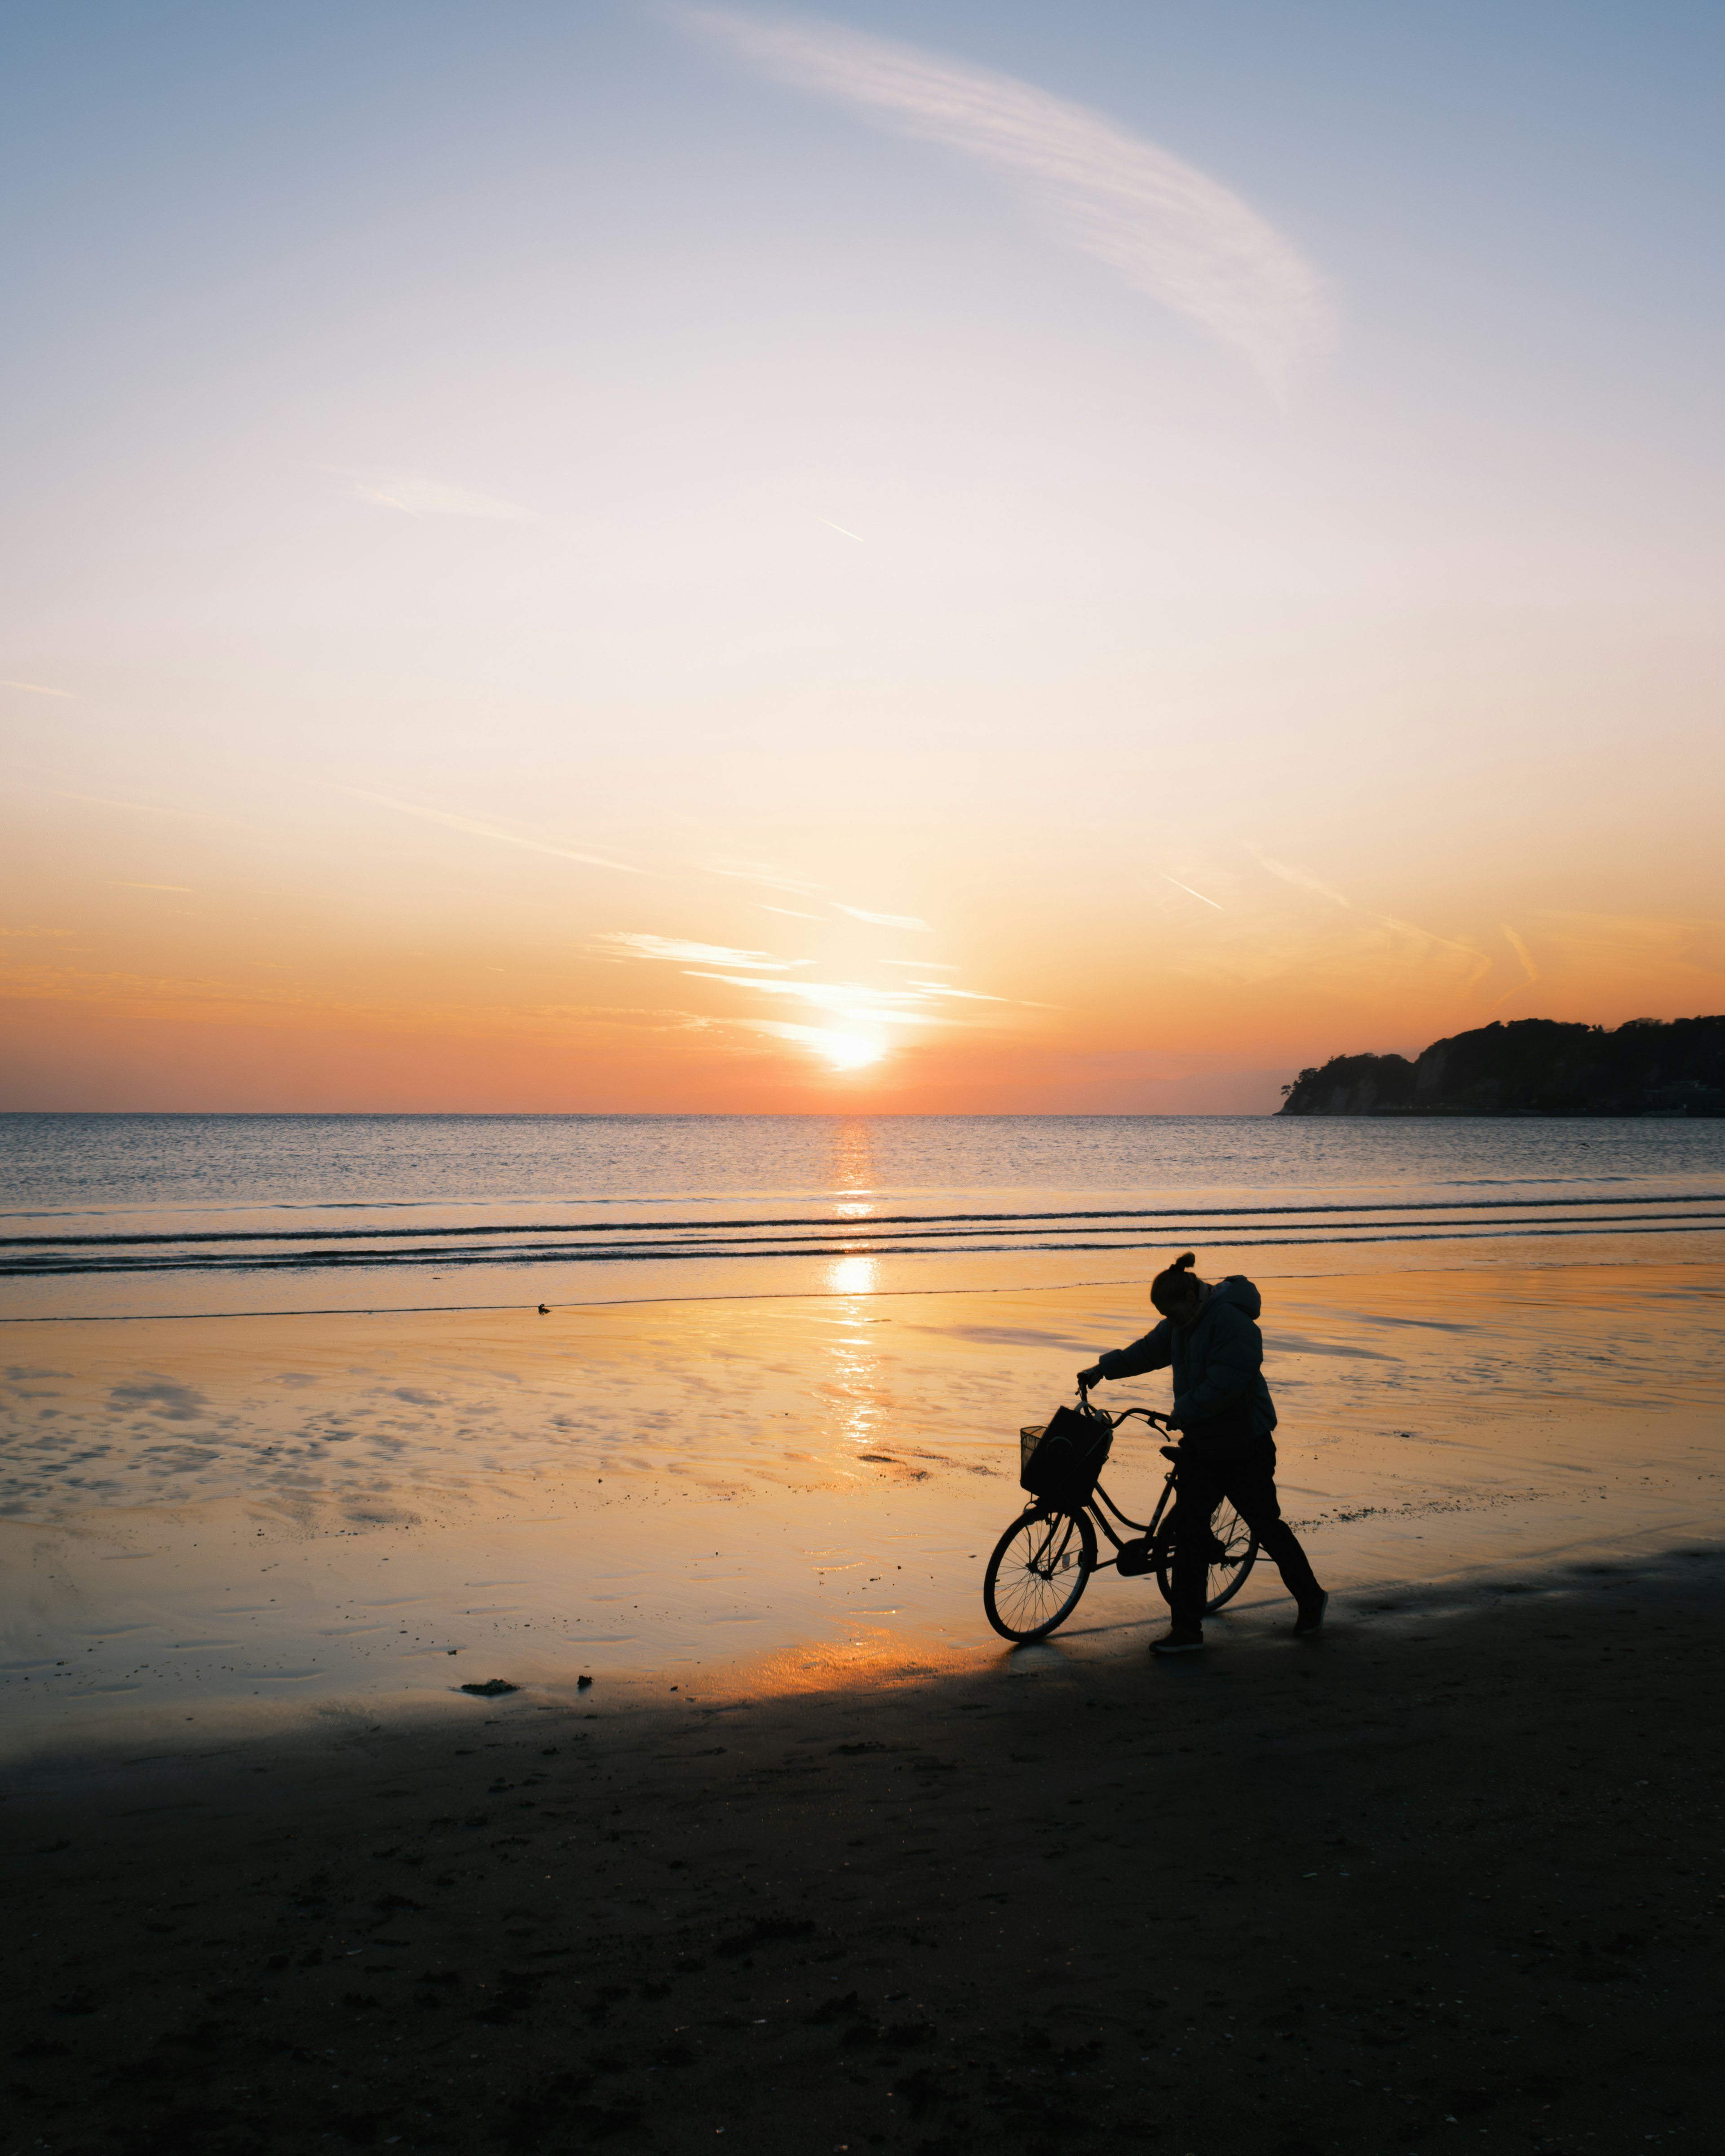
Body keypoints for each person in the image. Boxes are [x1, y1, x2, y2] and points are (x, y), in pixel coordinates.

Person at [1078, 1251, 1327, 1656]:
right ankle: (1187, 1631)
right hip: (1202, 1443)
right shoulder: (1181, 1322)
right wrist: (1103, 1370)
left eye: (1174, 1315)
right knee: (1189, 1533)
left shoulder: (1232, 1321)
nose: (1171, 1324)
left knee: (1266, 1527)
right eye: (1166, 1317)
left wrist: (1184, 1411)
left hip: (1244, 1442)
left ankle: (1311, 1598)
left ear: (1193, 1298)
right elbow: (1147, 1351)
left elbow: (1227, 1383)